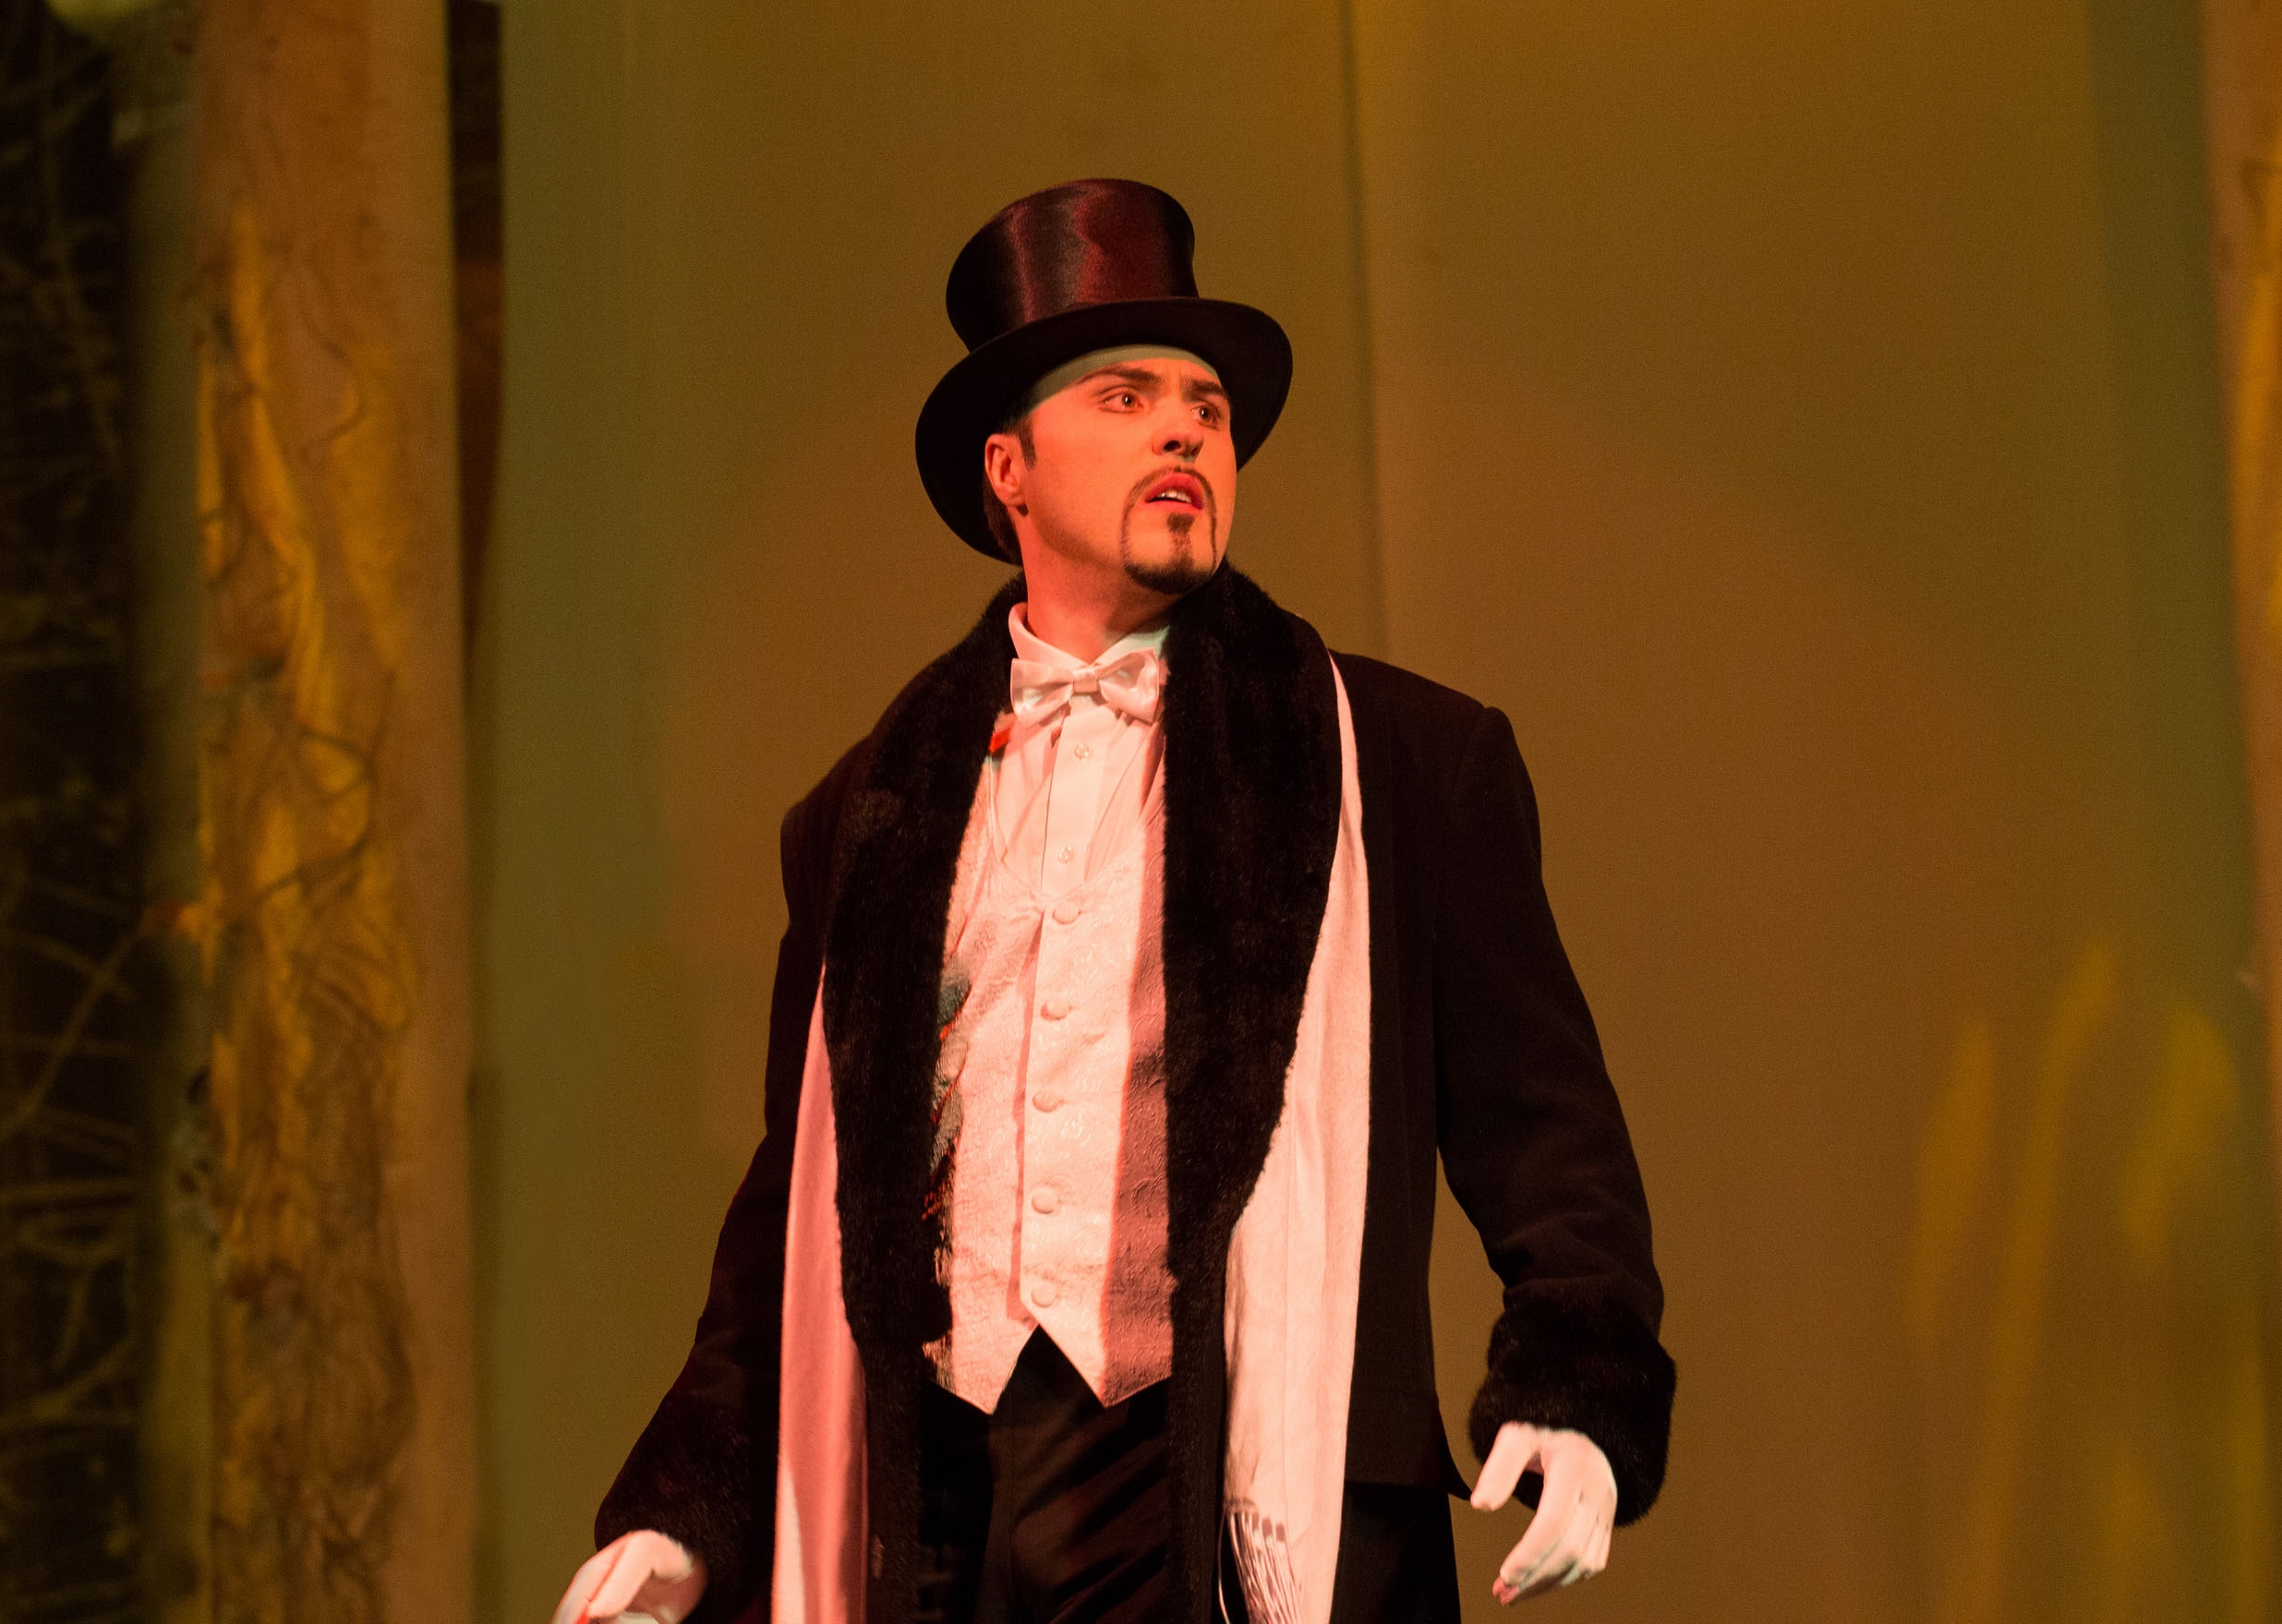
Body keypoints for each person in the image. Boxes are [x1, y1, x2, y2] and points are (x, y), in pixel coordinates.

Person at [552, 178, 1673, 1624]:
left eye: (1206, 406)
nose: (1184, 431)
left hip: (1218, 1487)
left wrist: (1580, 1396)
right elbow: (800, 1205)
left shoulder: (1399, 763)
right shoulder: (867, 815)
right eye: (1127, 397)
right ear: (1008, 469)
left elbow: (1549, 1137)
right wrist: (686, 1509)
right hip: (944, 1510)